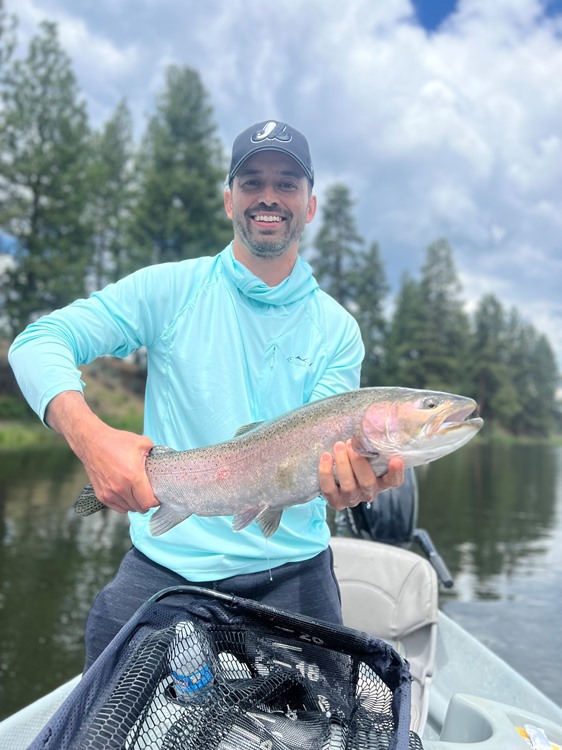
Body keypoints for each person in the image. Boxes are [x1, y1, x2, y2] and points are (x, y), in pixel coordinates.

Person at [9, 119, 404, 669]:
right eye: (252, 182)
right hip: (168, 565)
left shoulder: (337, 330)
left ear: (310, 206)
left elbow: (327, 466)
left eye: (288, 183)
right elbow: (38, 342)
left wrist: (347, 486)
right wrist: (91, 438)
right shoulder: (168, 290)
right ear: (228, 200)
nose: (269, 196)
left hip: (295, 569)